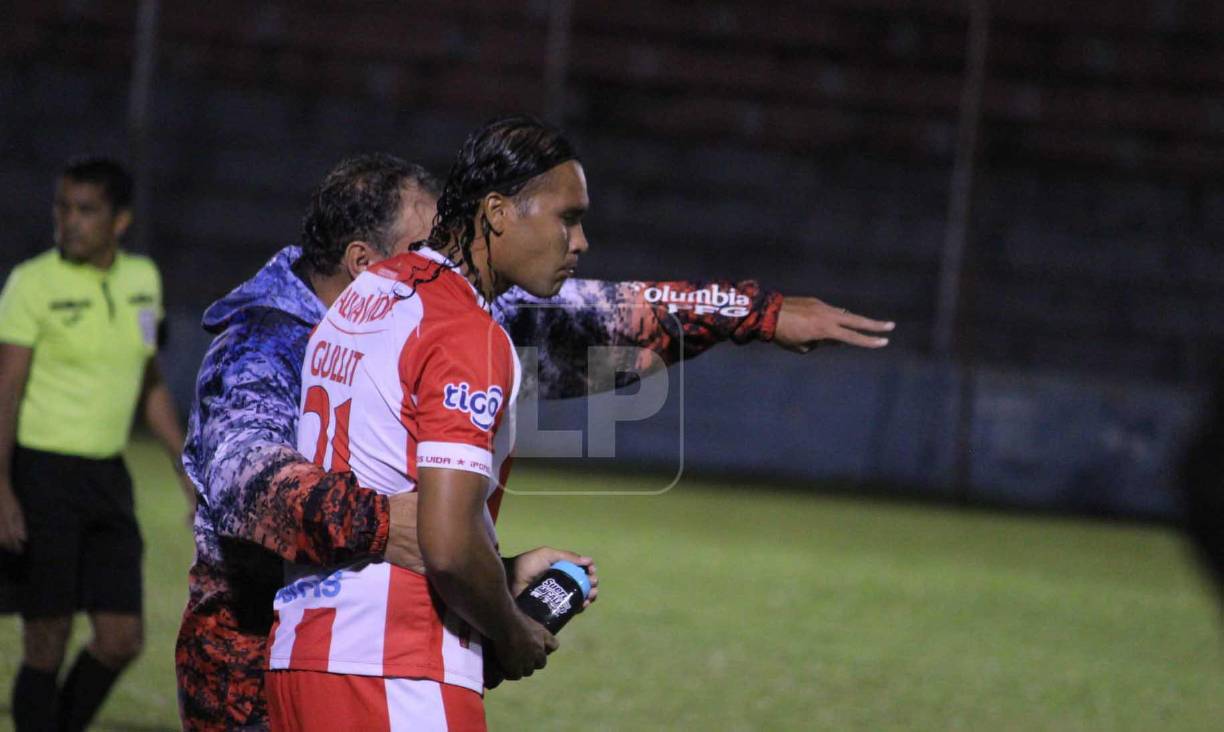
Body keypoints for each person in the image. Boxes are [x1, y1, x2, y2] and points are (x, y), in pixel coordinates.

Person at [177, 152, 894, 730]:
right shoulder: (264, 344)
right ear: (366, 262)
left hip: (350, 649)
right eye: (427, 244)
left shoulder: (427, 308)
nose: (447, 254)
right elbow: (248, 486)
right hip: (250, 673)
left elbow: (601, 321)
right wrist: (418, 531)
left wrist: (753, 313)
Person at [265, 116, 602, 729]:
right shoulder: (466, 331)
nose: (579, 242)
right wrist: (513, 631)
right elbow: (446, 546)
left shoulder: (369, 292)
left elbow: (386, 486)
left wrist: (500, 570)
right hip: (397, 673)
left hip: (302, 658)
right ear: (497, 212)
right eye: (567, 218)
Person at [0, 157, 194, 732]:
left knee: (121, 638)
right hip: (41, 477)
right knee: (47, 638)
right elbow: (5, 390)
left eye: (86, 210)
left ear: (120, 221)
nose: (69, 221)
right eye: (63, 207)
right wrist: (2, 487)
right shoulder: (32, 283)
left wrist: (186, 470)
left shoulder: (143, 280)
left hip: (107, 478)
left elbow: (149, 383)